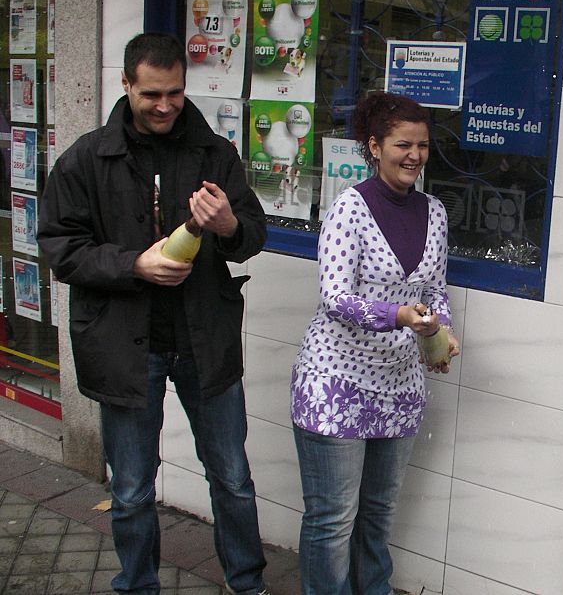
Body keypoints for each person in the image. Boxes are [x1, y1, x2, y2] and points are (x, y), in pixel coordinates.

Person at [37, 33, 269, 595]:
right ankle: (138, 586)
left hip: (203, 340)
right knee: (134, 488)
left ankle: (248, 584)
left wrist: (228, 227)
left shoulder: (215, 153)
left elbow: (254, 233)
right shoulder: (86, 159)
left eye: (175, 94)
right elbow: (58, 247)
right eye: (152, 95)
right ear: (126, 85)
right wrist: (132, 265)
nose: (165, 106)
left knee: (232, 479)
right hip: (123, 345)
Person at [290, 91, 460, 594]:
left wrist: (442, 331)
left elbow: (435, 289)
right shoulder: (349, 208)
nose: (414, 156)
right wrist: (400, 315)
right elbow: (335, 297)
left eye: (422, 146)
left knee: (379, 515)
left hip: (399, 386)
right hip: (335, 382)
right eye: (402, 144)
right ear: (374, 146)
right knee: (333, 519)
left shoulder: (435, 212)